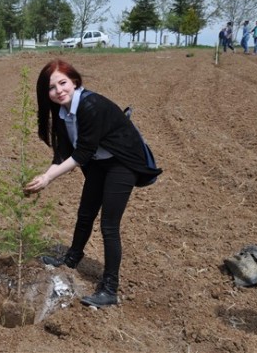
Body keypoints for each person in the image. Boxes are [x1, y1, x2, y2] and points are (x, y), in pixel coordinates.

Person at [24, 59, 162, 308]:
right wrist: (44, 175)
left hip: (123, 162)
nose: (59, 91)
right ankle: (71, 259)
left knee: (109, 225)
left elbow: (81, 155)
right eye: (52, 88)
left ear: (74, 81)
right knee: (85, 213)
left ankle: (110, 288)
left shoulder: (90, 105)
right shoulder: (63, 114)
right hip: (99, 161)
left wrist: (48, 178)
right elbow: (64, 155)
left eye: (63, 83)